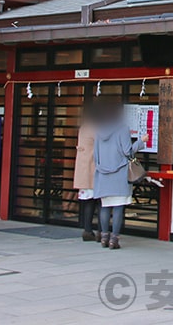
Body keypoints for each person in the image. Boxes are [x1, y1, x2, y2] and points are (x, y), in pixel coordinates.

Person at [93, 100, 147, 249]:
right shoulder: (123, 129)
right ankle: (114, 240)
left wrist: (101, 167)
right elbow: (127, 152)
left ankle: (104, 237)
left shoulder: (99, 130)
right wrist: (141, 142)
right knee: (118, 207)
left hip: (103, 174)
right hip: (119, 174)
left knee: (105, 206)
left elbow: (95, 155)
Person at [73, 103, 100, 242]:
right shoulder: (96, 129)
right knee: (101, 202)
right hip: (93, 170)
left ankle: (87, 230)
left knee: (88, 202)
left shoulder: (84, 128)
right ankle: (101, 231)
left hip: (83, 171)